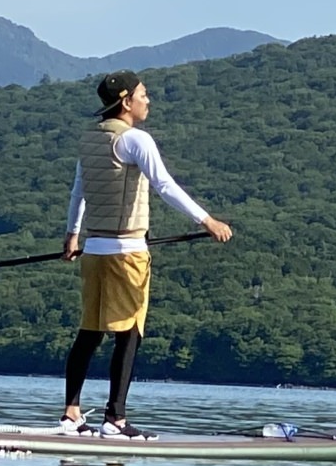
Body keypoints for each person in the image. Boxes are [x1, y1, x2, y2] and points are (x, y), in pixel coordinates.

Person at [61, 70, 232, 435]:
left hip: (93, 251)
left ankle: (71, 413)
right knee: (129, 331)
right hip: (127, 252)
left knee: (89, 331)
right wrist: (208, 221)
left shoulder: (90, 138)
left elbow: (79, 191)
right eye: (143, 94)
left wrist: (72, 237)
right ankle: (115, 419)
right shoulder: (137, 140)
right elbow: (165, 186)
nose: (148, 100)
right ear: (126, 102)